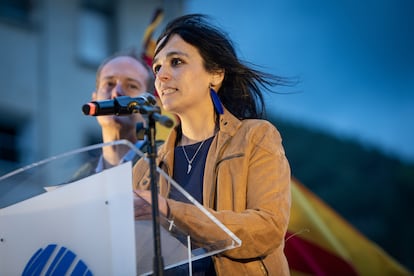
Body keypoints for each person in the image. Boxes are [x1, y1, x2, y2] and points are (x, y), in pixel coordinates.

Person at [132, 14, 291, 275]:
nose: (162, 76)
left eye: (177, 62)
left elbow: (267, 229)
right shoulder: (144, 168)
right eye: (157, 68)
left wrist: (171, 210)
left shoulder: (256, 137)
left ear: (215, 74)